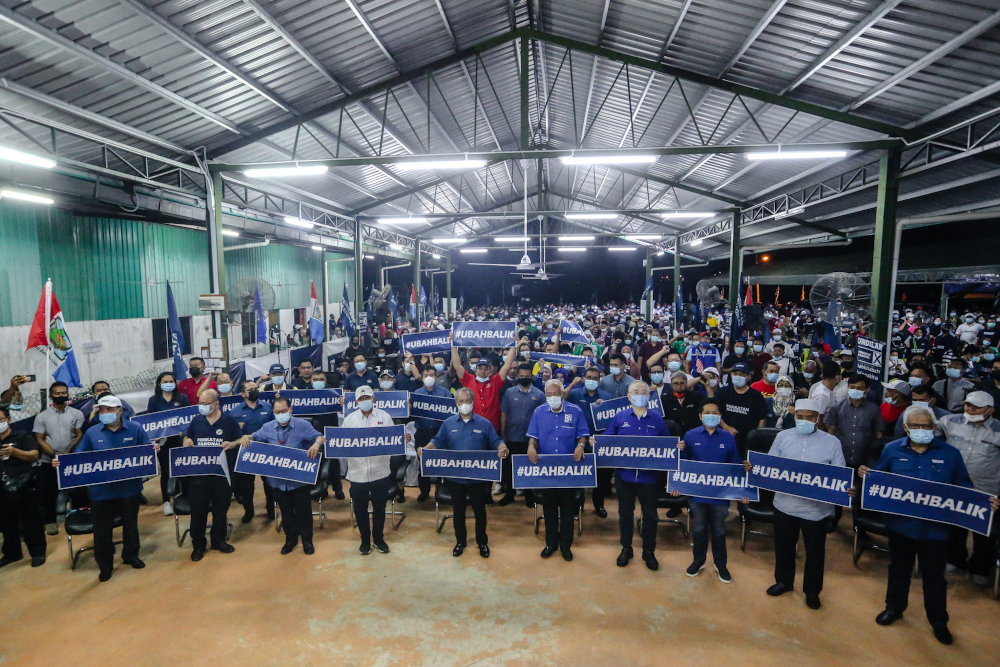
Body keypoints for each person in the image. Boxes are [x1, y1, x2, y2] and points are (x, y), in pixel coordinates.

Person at [860, 405, 999, 645]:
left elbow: (963, 487)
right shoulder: (891, 450)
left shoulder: (950, 454)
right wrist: (865, 474)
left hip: (935, 530)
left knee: (935, 577)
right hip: (900, 525)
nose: (921, 429)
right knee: (898, 569)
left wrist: (985, 502)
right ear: (905, 428)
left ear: (934, 428)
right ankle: (894, 608)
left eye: (926, 426)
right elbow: (878, 479)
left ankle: (938, 621)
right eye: (915, 425)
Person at [56, 395, 157, 582]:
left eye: (109, 410)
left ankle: (131, 556)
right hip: (100, 492)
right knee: (102, 531)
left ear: (119, 410)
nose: (105, 413)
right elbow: (79, 457)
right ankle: (105, 565)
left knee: (130, 526)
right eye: (101, 410)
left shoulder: (135, 429)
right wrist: (62, 463)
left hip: (129, 489)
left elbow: (145, 450)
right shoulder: (92, 433)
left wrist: (152, 450)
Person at [762, 399, 845, 610]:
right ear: (795, 416)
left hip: (816, 511)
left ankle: (812, 591)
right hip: (784, 505)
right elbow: (771, 466)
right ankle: (784, 581)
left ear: (818, 419)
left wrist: (847, 489)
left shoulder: (832, 442)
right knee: (784, 548)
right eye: (800, 417)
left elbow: (839, 475)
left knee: (815, 553)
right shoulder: (782, 437)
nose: (804, 421)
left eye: (809, 417)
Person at [422, 388, 509, 557]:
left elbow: (496, 441)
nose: (464, 404)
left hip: (478, 479)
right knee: (458, 512)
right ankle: (460, 542)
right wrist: (426, 450)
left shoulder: (485, 424)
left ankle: (482, 542)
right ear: (456, 404)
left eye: (467, 401)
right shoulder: (448, 424)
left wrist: (503, 449)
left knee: (480, 511)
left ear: (472, 402)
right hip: (456, 479)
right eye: (460, 402)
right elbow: (437, 441)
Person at [604, 381, 672, 571]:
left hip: (649, 478)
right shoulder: (619, 417)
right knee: (625, 514)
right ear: (629, 396)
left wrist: (676, 447)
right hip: (624, 477)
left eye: (644, 392)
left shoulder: (657, 418)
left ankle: (649, 551)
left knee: (650, 516)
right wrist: (597, 441)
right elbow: (607, 441)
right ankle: (626, 548)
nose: (640, 394)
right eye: (636, 392)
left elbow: (667, 444)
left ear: (649, 396)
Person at [677, 398, 746, 583]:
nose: (711, 416)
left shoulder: (728, 437)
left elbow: (735, 465)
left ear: (720, 416)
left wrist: (744, 490)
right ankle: (698, 561)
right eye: (707, 413)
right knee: (699, 529)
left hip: (720, 496)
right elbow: (683, 465)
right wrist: (676, 484)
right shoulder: (690, 436)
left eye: (715, 413)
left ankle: (720, 564)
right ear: (700, 416)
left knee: (718, 531)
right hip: (697, 495)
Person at [937, 391, 1000, 586]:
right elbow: (928, 432)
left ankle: (980, 567)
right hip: (955, 486)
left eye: (976, 407)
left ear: (990, 410)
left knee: (984, 532)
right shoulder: (949, 421)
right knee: (955, 526)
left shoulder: (998, 430)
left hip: (986, 489)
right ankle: (955, 558)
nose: (970, 410)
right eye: (967, 405)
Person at [526, 379, 591, 561]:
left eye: (556, 393)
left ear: (562, 394)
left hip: (569, 471)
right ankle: (550, 543)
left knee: (568, 510)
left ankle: (566, 545)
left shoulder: (575, 411)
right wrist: (531, 447)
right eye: (549, 394)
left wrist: (580, 445)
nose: (553, 397)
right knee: (550, 509)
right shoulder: (539, 412)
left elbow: (583, 435)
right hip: (547, 472)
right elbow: (533, 438)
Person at [252, 395, 325, 555]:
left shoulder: (303, 425)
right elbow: (254, 438)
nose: (281, 414)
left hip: (299, 479)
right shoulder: (268, 427)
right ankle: (290, 539)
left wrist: (316, 443)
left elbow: (320, 436)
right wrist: (246, 438)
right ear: (273, 412)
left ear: (290, 410)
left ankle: (307, 540)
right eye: (277, 411)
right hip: (277, 480)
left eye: (284, 411)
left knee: (303, 511)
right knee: (285, 511)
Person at [181, 389, 246, 561]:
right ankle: (198, 546)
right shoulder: (196, 421)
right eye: (200, 404)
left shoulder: (229, 420)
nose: (202, 407)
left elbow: (240, 440)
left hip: (222, 475)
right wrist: (186, 441)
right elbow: (188, 438)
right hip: (199, 476)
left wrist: (232, 444)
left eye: (205, 404)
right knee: (198, 512)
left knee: (220, 511)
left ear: (216, 404)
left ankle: (218, 541)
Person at [341, 385, 396, 555]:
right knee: (360, 509)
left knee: (380, 508)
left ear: (374, 399)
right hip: (358, 474)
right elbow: (342, 445)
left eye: (368, 398)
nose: (365, 401)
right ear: (356, 401)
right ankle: (365, 540)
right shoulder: (349, 420)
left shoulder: (385, 417)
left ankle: (379, 539)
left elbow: (393, 441)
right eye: (361, 399)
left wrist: (402, 438)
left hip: (380, 471)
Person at [32, 381, 84, 533]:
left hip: (71, 459)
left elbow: (79, 434)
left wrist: (66, 453)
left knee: (77, 491)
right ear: (51, 396)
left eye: (63, 393)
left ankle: (79, 518)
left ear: (67, 394)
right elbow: (40, 439)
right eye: (57, 393)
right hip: (49, 461)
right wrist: (54, 456)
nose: (61, 396)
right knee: (48, 493)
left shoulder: (76, 414)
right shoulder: (42, 417)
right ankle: (50, 522)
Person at [0, 405, 46, 568]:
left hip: (24, 486)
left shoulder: (22, 437)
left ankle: (38, 552)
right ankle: (12, 553)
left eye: (1, 420)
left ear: (8, 420)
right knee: (6, 523)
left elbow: (34, 455)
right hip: (2, 490)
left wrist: (14, 452)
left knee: (31, 521)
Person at [566, 366, 613, 515]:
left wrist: (604, 407)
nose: (592, 380)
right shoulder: (574, 394)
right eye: (589, 378)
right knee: (577, 475)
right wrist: (572, 384)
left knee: (600, 478)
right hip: (577, 442)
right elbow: (560, 399)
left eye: (595, 378)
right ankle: (577, 505)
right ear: (584, 378)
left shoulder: (606, 396)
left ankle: (598, 505)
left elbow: (611, 420)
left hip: (598, 443)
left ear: (599, 380)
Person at [452, 336, 523, 433]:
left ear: (491, 370)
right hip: (473, 427)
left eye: (486, 368)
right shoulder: (468, 379)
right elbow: (457, 365)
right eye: (480, 368)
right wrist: (453, 344)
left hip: (492, 429)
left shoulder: (496, 381)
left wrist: (513, 346)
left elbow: (507, 366)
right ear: (475, 370)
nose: (483, 371)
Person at [229, 379, 277, 521]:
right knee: (246, 486)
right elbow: (232, 433)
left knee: (269, 483)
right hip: (246, 453)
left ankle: (271, 509)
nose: (254, 391)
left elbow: (275, 426)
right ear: (243, 394)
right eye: (250, 390)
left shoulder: (268, 407)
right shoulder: (235, 412)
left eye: (255, 388)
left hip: (266, 451)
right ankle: (248, 511)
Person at [498, 363, 545, 506]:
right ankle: (509, 494)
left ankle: (529, 496)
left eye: (526, 376)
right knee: (509, 467)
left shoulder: (539, 394)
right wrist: (503, 432)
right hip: (511, 436)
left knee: (529, 466)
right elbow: (504, 412)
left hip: (530, 438)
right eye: (521, 376)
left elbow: (542, 417)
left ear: (531, 376)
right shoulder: (509, 392)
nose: (524, 378)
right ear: (517, 376)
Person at [144, 372, 190, 517]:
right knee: (165, 471)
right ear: (159, 383)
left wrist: (184, 433)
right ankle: (166, 502)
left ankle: (185, 498)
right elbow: (151, 421)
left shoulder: (182, 398)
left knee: (182, 468)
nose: (169, 383)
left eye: (171, 380)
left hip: (180, 439)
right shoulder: (154, 400)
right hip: (163, 441)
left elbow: (188, 417)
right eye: (165, 381)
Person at [411, 365, 452, 502]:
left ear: (435, 377)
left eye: (432, 375)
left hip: (440, 434)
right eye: (425, 375)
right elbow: (411, 415)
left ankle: (441, 490)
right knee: (423, 464)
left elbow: (451, 414)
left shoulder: (445, 393)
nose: (429, 378)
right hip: (422, 433)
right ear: (422, 378)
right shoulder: (416, 394)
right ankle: (424, 491)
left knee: (442, 462)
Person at [716, 362, 767, 457]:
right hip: (725, 436)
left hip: (747, 439)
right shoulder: (723, 392)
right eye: (735, 373)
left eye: (742, 374)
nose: (738, 376)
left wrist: (756, 436)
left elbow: (762, 419)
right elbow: (716, 412)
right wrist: (726, 427)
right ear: (731, 375)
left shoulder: (756, 396)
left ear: (748, 377)